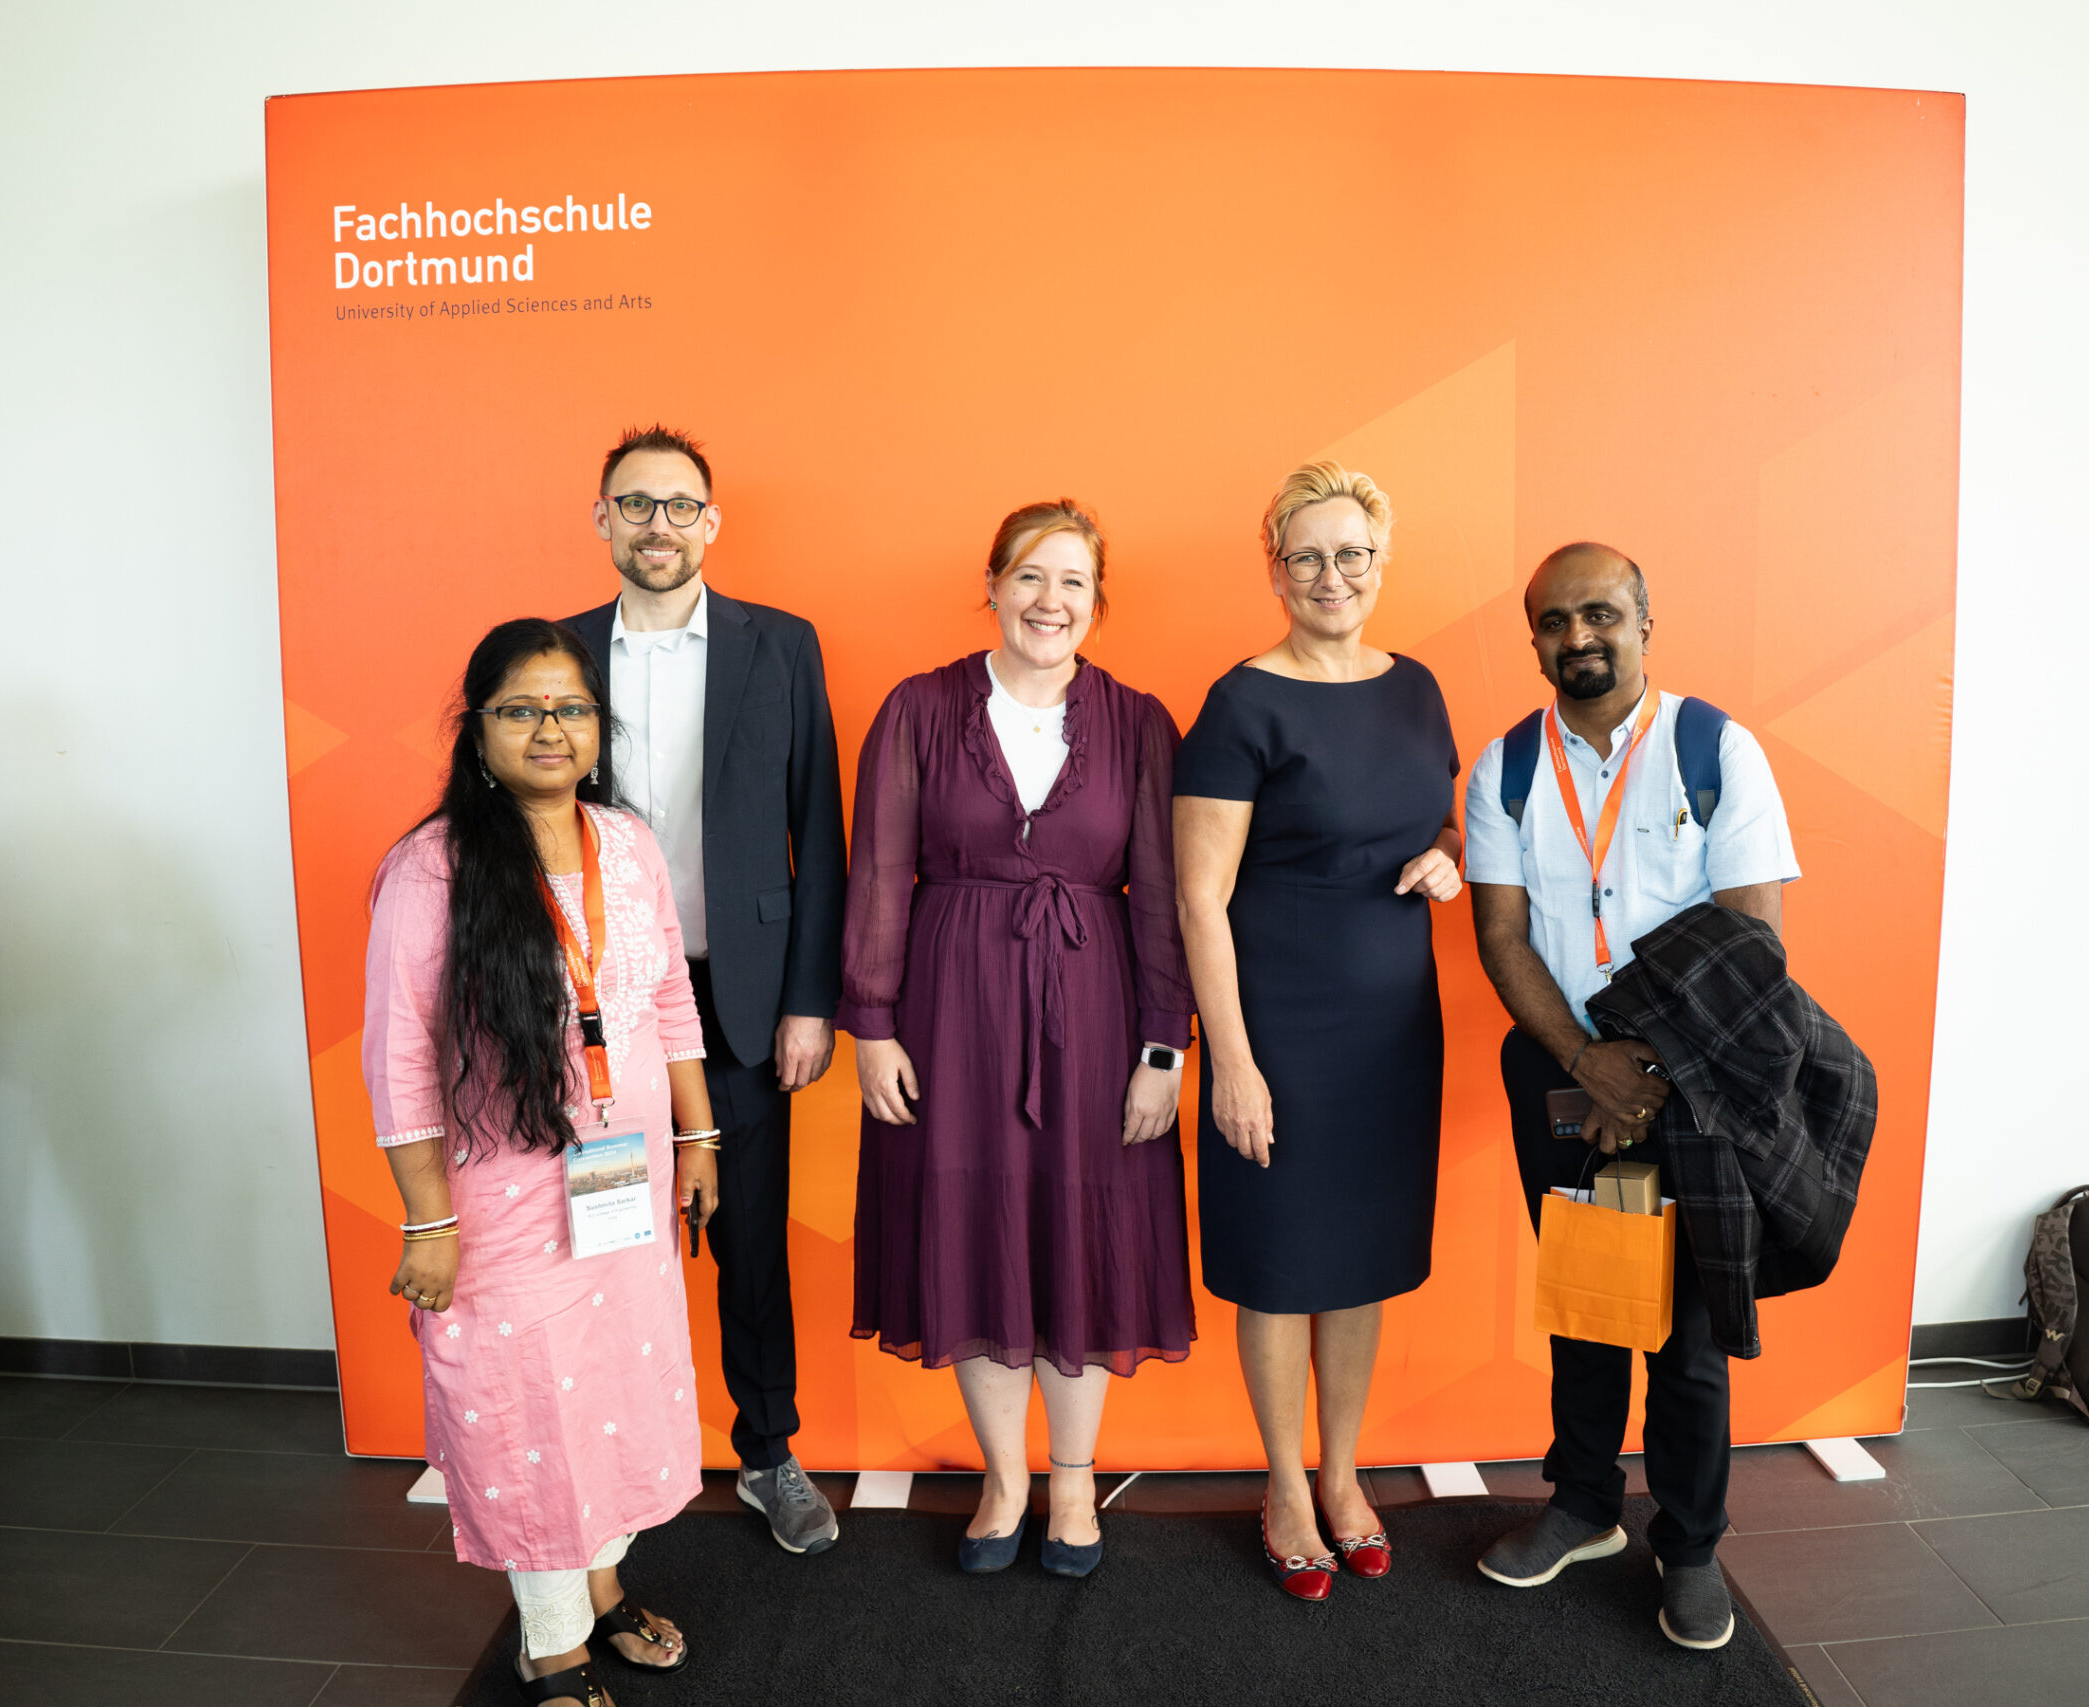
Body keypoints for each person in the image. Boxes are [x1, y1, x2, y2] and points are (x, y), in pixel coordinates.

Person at [365, 620, 716, 1706]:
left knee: (610, 1388)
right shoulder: (432, 868)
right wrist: (428, 1221)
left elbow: (668, 999)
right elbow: (400, 1056)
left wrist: (699, 1136)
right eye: (521, 709)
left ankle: (600, 1590)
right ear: (477, 730)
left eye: (571, 708)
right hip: (503, 1197)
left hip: (624, 1180)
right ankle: (551, 1645)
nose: (550, 729)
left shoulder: (627, 843)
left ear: (598, 727)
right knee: (531, 1407)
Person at [842, 500, 1195, 1578]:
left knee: (1081, 1232)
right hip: (950, 1015)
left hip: (1097, 1017)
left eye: (1073, 581)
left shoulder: (1141, 722)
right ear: (992, 586)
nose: (1050, 600)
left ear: (1097, 601)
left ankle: (1073, 1483)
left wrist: (1163, 1047)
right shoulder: (918, 707)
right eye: (1030, 576)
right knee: (973, 1227)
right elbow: (878, 872)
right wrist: (871, 1025)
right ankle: (1004, 1480)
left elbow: (1163, 896)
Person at [1462, 542, 1801, 1652]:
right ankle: (1582, 1507)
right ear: (1535, 640)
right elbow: (1501, 936)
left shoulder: (1714, 749)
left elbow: (1752, 933)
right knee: (1585, 1301)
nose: (1579, 637)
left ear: (1646, 620)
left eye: (1601, 613)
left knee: (1688, 1331)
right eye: (1554, 621)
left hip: (1695, 1074)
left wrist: (1647, 1069)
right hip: (1559, 1071)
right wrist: (1586, 1061)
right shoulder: (1506, 768)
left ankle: (1690, 1546)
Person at [1173, 461, 1460, 1601]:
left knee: (1360, 1261)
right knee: (1281, 1264)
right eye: (1307, 556)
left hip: (1392, 1028)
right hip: (1279, 1027)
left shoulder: (1418, 689)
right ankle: (1286, 1486)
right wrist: (1233, 1063)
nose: (1330, 575)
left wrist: (1445, 854)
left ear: (1381, 562)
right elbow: (1199, 898)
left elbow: (1439, 815)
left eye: (1351, 554)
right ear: (1275, 568)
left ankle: (1344, 1474)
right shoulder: (1241, 703)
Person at [564, 425, 847, 1556]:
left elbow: (818, 829)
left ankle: (768, 1453)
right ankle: (605, 1453)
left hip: (741, 1000)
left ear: (711, 522)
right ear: (601, 519)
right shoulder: (559, 652)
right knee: (605, 1228)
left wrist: (809, 1000)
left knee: (750, 1240)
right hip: (598, 1004)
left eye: (679, 505)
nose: (658, 525)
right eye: (635, 504)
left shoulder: (780, 645)